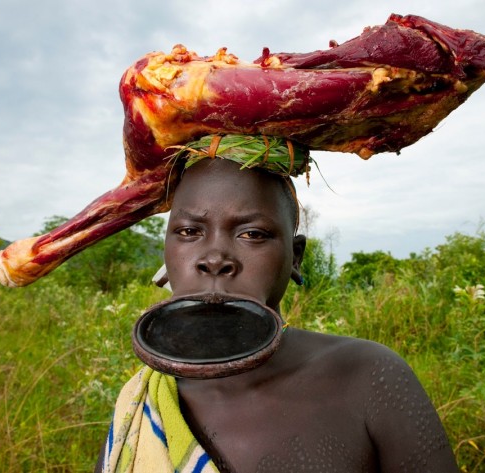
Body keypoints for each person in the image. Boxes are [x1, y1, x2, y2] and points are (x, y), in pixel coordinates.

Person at [97, 157, 459, 472]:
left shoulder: (368, 376)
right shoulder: (141, 404)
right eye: (190, 232)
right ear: (166, 251)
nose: (215, 259)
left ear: (295, 256)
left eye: (252, 234)